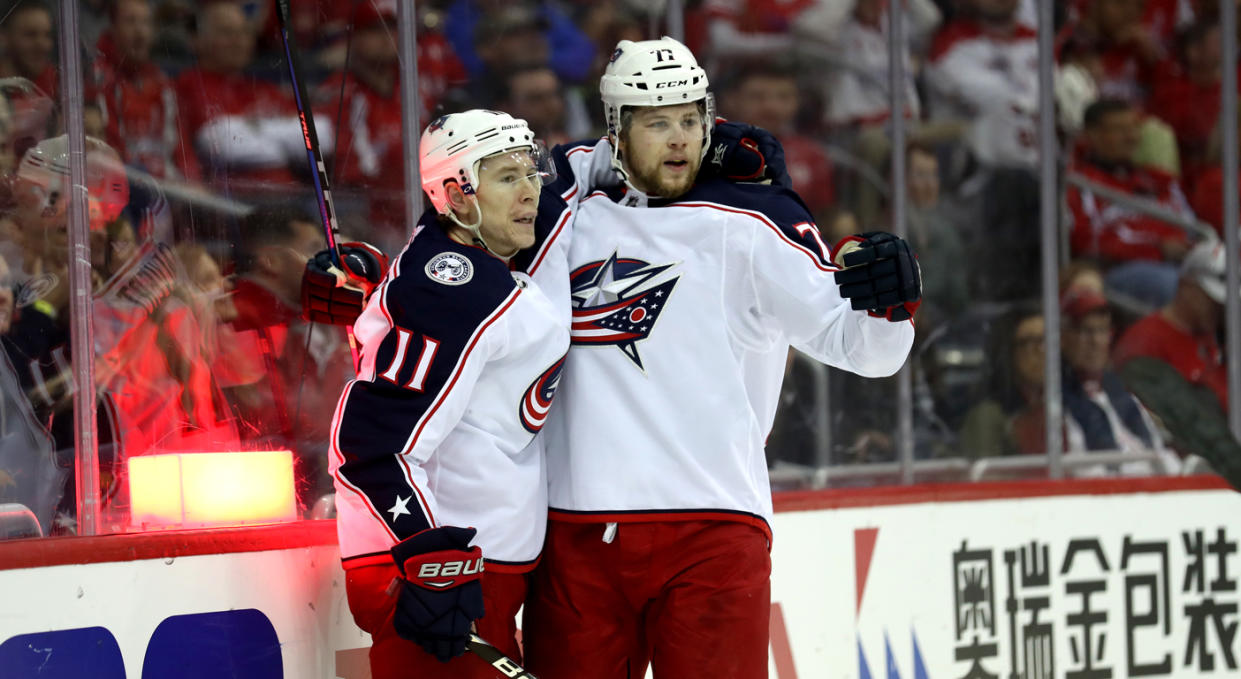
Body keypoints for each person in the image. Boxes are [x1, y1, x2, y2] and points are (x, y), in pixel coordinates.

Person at [521, 37, 918, 678]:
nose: (678, 139)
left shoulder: (751, 224)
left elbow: (865, 351)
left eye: (690, 119)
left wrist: (890, 301)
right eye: (656, 123)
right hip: (575, 535)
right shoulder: (564, 221)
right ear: (617, 130)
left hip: (712, 530)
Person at [329, 110, 569, 678]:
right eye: (507, 179)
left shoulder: (480, 268)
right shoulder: (455, 288)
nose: (531, 192)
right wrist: (426, 554)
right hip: (435, 573)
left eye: (529, 174)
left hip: (470, 569)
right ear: (457, 197)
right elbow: (369, 445)